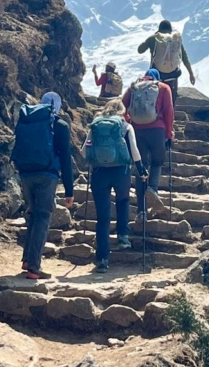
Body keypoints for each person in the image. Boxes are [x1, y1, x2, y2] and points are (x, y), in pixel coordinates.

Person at [12, 91, 75, 281]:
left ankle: (26, 259)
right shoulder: (61, 126)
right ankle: (34, 267)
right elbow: (66, 159)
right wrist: (69, 190)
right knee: (42, 217)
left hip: (25, 173)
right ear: (58, 106)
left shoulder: (28, 121)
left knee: (32, 214)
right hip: (47, 175)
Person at [84, 98, 148, 273]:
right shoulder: (125, 125)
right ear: (123, 111)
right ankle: (123, 236)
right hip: (121, 171)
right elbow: (134, 150)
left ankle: (103, 259)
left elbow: (85, 150)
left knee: (103, 218)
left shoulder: (95, 124)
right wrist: (141, 170)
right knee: (123, 200)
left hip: (99, 173)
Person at [122, 68, 174, 222]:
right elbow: (169, 111)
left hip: (137, 131)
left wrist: (128, 123)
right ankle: (153, 189)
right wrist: (169, 133)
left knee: (141, 167)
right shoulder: (163, 88)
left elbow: (121, 106)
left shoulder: (133, 88)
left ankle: (141, 212)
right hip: (157, 130)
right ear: (157, 78)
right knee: (158, 161)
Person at [137, 19, 195, 102]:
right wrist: (191, 74)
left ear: (159, 29)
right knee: (171, 99)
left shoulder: (154, 38)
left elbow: (140, 50)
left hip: (157, 75)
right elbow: (184, 57)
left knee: (155, 98)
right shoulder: (175, 40)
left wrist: (151, 40)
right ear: (170, 30)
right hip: (173, 75)